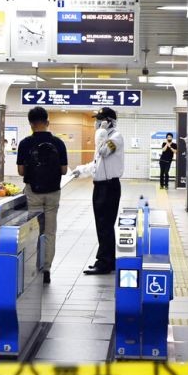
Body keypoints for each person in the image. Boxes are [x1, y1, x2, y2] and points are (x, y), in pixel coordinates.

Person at [17, 106, 68, 285]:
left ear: (30, 124)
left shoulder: (24, 143)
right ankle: (46, 268)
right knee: (50, 232)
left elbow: (21, 171)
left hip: (33, 192)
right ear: (47, 122)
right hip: (53, 192)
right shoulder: (58, 143)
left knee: (33, 230)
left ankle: (34, 265)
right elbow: (64, 170)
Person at [72, 107, 124, 275]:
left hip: (109, 187)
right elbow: (97, 163)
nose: (96, 123)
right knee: (103, 224)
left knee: (105, 224)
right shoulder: (104, 138)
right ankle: (108, 260)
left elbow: (104, 151)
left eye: (100, 120)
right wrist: (81, 170)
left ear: (108, 122)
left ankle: (104, 262)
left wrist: (101, 133)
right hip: (100, 186)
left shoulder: (115, 138)